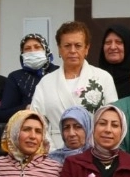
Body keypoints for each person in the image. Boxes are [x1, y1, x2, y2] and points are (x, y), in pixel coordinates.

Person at [29, 22, 119, 150]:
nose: (72, 51)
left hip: (94, 150)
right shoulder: (46, 82)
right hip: (55, 150)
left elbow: (112, 117)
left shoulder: (103, 78)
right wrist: (52, 151)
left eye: (78, 46)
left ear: (87, 48)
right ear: (59, 49)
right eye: (67, 46)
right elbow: (36, 119)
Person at [0, 34, 59, 122]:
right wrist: (26, 108)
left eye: (37, 47)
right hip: (29, 130)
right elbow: (2, 114)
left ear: (46, 50)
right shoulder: (15, 77)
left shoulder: (58, 72)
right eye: (27, 48)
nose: (32, 51)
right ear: (22, 54)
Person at [96, 24, 130, 100]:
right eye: (108, 42)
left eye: (119, 42)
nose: (112, 47)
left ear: (128, 46)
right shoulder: (95, 76)